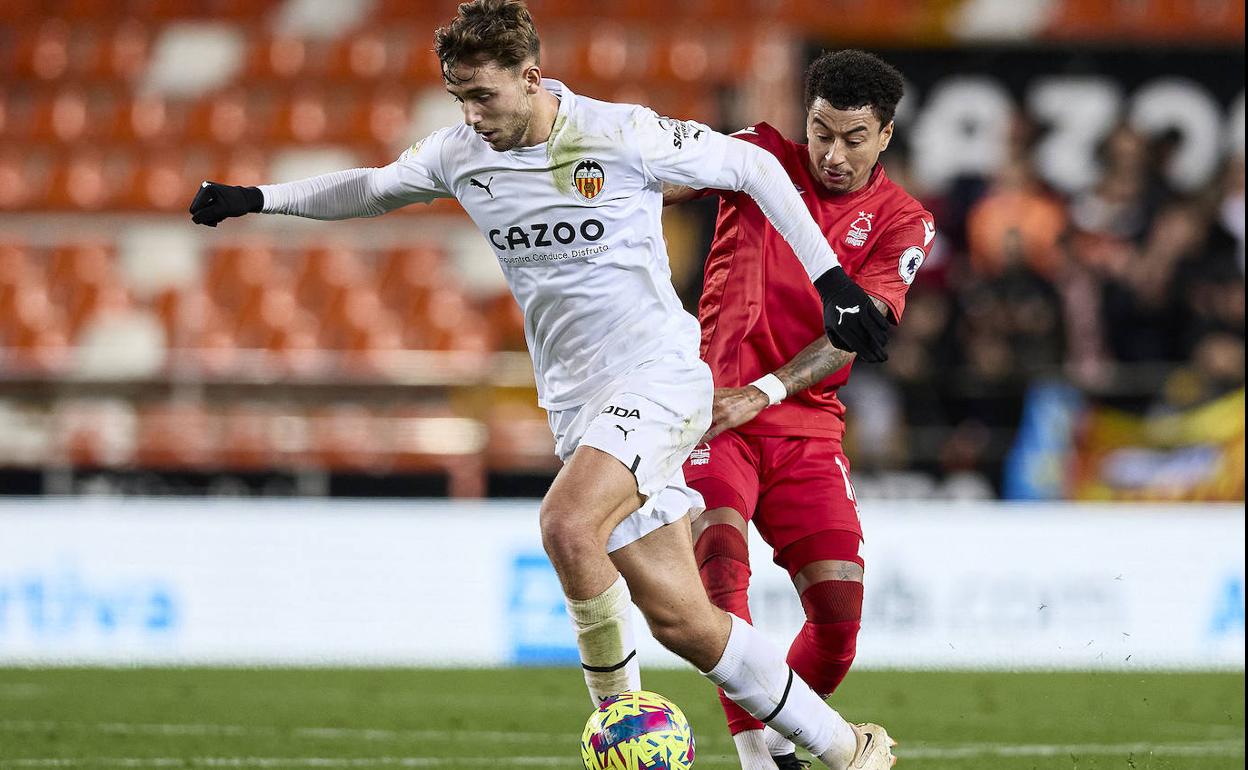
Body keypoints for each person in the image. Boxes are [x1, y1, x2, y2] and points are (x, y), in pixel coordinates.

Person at [187, 3, 895, 767]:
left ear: (530, 78)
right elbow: (371, 187)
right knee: (686, 623)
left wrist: (829, 276)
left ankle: (622, 724)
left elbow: (751, 166)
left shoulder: (618, 132)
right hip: (579, 404)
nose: (471, 112)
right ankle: (849, 748)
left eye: (483, 94)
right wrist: (258, 199)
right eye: (459, 94)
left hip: (658, 377)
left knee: (565, 525)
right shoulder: (461, 152)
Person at [664, 50, 934, 769]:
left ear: (886, 135)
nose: (832, 153)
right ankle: (758, 758)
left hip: (805, 425)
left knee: (839, 621)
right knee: (720, 574)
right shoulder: (755, 156)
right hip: (712, 412)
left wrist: (771, 390)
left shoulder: (904, 221)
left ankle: (783, 741)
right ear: (804, 120)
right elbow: (656, 176)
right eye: (820, 132)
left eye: (852, 138)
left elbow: (854, 333)